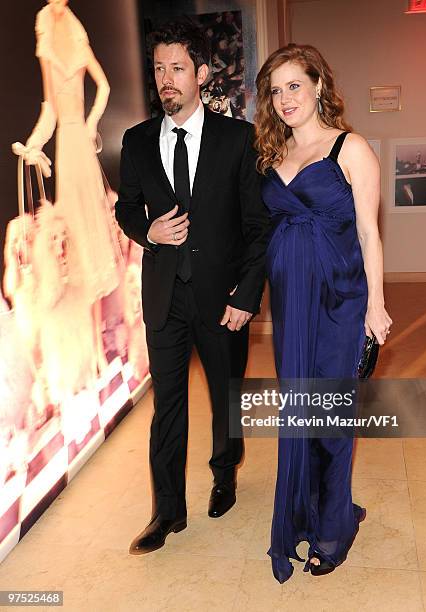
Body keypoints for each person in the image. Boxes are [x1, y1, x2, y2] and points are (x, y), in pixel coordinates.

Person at [115, 19, 269, 555]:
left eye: (177, 68)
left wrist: (246, 296)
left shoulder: (238, 139)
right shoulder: (135, 142)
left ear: (201, 74)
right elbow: (127, 207)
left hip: (222, 298)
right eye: (158, 69)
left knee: (226, 397)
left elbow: (257, 227)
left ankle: (224, 474)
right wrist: (147, 231)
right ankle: (167, 511)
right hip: (164, 297)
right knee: (168, 408)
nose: (166, 80)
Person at [254, 43, 392, 583]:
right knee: (301, 417)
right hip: (291, 306)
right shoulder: (271, 153)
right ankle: (308, 512)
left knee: (330, 419)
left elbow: (368, 232)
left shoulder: (350, 148)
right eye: (275, 89)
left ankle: (333, 529)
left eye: (294, 85)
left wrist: (376, 306)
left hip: (341, 300)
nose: (285, 98)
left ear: (317, 85)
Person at [12, 0, 120, 372]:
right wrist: (35, 143)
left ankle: (98, 348)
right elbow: (50, 108)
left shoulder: (76, 34)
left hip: (80, 146)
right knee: (73, 242)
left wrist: (91, 124)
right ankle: (89, 352)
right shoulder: (46, 34)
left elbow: (103, 86)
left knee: (89, 238)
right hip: (64, 145)